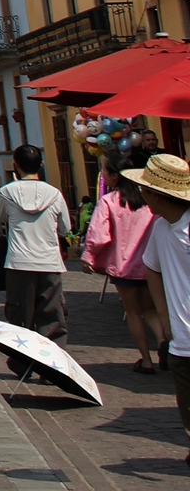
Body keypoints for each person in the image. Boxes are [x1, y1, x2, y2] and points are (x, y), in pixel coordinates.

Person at [124, 151, 190, 468]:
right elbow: (151, 268)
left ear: (155, 194)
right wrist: (163, 314)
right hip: (180, 343)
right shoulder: (162, 228)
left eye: (145, 190)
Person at [86, 136, 166, 373]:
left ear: (114, 176)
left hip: (124, 267)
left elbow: (99, 235)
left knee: (133, 312)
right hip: (152, 265)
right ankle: (163, 342)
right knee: (151, 309)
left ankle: (147, 360)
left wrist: (89, 258)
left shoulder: (110, 201)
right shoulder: (148, 200)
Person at [0, 143, 72, 341]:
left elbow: (1, 218)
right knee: (52, 316)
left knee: (20, 317)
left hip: (19, 262)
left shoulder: (6, 193)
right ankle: (51, 364)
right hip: (49, 262)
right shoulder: (54, 194)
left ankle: (22, 364)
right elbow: (65, 228)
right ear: (42, 165)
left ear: (16, 166)